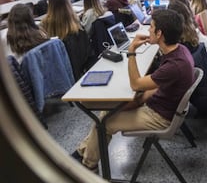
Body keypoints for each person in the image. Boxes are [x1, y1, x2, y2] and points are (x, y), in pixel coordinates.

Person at [72, 9, 195, 171]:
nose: (148, 30)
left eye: (151, 27)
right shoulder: (180, 50)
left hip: (161, 117)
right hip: (160, 104)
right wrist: (138, 100)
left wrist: (131, 52)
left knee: (104, 122)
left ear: (159, 34)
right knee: (105, 113)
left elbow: (136, 84)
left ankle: (89, 166)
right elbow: (159, 87)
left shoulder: (174, 66)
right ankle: (84, 151)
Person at [41, 0, 93, 80]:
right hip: (80, 70)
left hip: (61, 71)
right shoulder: (75, 21)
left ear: (50, 5)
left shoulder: (45, 22)